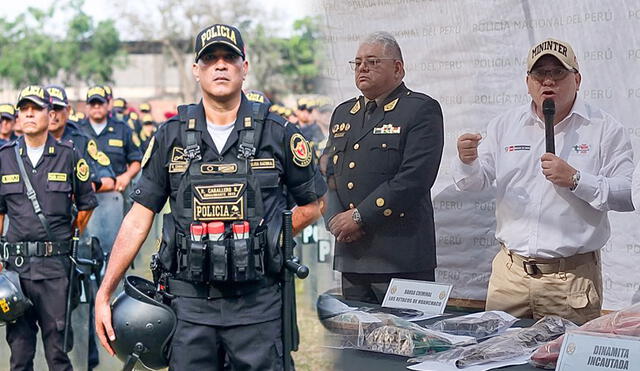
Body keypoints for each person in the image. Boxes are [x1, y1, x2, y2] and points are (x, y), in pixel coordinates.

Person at [94, 23, 326, 370]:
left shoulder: (278, 133)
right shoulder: (170, 136)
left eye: (229, 58)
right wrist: (104, 290)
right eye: (210, 58)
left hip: (258, 304)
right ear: (196, 70)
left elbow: (315, 201)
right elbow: (139, 216)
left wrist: (273, 237)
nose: (220, 65)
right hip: (189, 307)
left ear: (244, 68)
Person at [454, 38, 634, 325]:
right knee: (494, 359)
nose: (548, 81)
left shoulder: (605, 129)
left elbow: (628, 195)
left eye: (558, 73)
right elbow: (475, 183)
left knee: (562, 361)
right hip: (509, 277)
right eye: (539, 74)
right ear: (527, 82)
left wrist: (576, 179)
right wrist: (468, 161)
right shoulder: (504, 126)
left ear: (577, 78)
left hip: (570, 280)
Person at [323, 31, 444, 304]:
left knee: (408, 341)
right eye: (357, 62)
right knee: (356, 344)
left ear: (398, 68)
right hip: (352, 256)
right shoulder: (343, 114)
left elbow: (414, 179)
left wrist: (358, 218)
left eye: (373, 61)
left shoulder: (420, 109)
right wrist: (335, 220)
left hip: (401, 258)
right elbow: (325, 173)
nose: (363, 67)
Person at [0, 85, 97, 370]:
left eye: (36, 109)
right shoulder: (4, 157)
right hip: (17, 270)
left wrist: (66, 236)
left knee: (57, 352)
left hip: (56, 270)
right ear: (18, 117)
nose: (29, 114)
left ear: (48, 114)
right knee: (19, 354)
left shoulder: (68, 154)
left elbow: (87, 203)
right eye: (24, 109)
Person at [78, 85, 142, 256]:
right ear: (87, 106)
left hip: (116, 195)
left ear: (108, 104)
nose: (97, 107)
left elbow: (137, 160)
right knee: (85, 246)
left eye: (100, 103)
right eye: (93, 104)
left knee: (115, 245)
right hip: (86, 196)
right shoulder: (77, 131)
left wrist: (127, 176)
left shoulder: (122, 129)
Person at [46, 84, 116, 192]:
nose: (52, 115)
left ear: (68, 110)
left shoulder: (82, 141)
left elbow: (107, 180)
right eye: (48, 109)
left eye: (57, 108)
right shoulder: (25, 142)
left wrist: (77, 192)